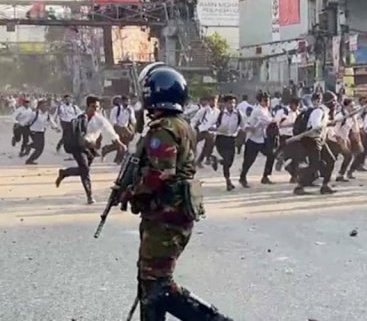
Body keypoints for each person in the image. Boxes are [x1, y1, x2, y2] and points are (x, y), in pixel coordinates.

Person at [123, 65, 233, 320]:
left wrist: (133, 193)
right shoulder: (180, 124)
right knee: (151, 282)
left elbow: (160, 174)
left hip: (167, 215)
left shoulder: (163, 129)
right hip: (172, 213)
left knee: (158, 284)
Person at [55, 96, 125, 205]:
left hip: (91, 148)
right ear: (88, 106)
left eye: (97, 107)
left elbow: (109, 129)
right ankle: (89, 196)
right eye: (93, 107)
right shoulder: (79, 118)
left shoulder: (100, 119)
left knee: (83, 170)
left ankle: (65, 172)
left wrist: (118, 142)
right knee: (85, 170)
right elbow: (74, 132)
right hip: (79, 147)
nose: (96, 109)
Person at [215, 95, 244, 191]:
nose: (232, 105)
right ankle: (228, 181)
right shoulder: (221, 114)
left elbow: (243, 125)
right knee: (227, 160)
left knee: (230, 161)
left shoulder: (238, 114)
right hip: (221, 139)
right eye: (230, 103)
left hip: (232, 139)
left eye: (233, 103)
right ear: (225, 103)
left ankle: (217, 160)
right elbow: (214, 124)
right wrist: (214, 128)